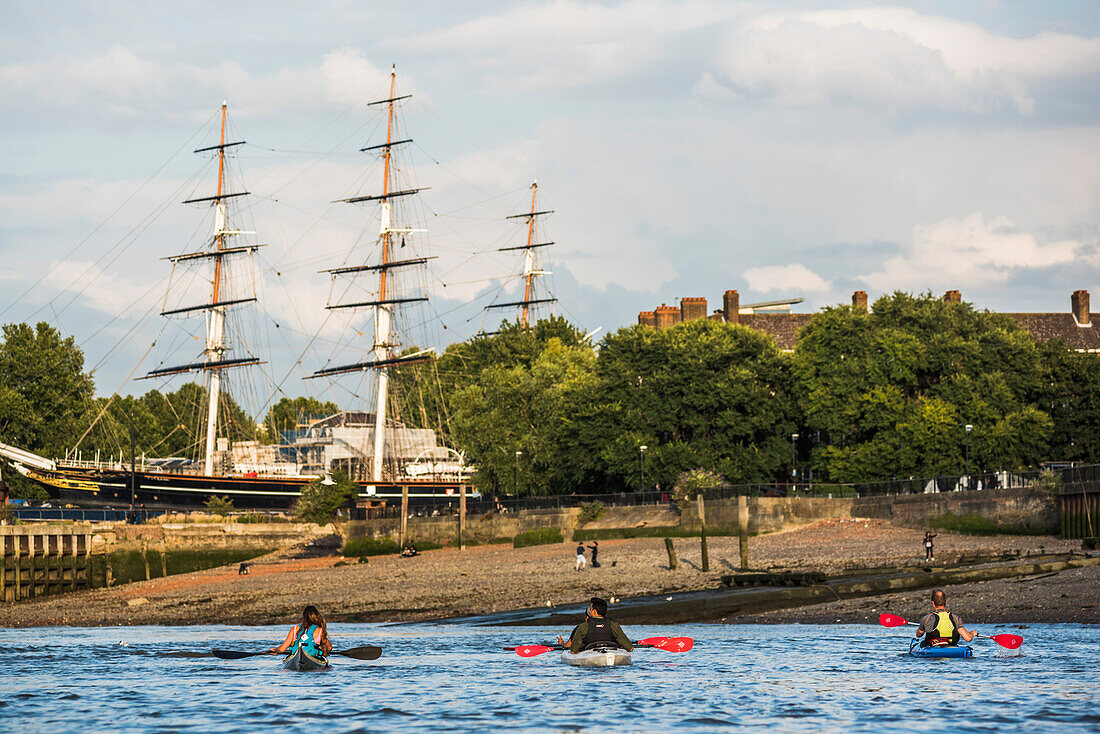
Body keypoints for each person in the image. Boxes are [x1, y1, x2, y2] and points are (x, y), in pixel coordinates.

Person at [556, 597, 634, 652]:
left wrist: (562, 643)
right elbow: (630, 648)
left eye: (591, 608)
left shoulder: (583, 626)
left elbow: (573, 650)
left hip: (590, 654)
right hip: (611, 653)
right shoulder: (614, 625)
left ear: (594, 612)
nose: (589, 611)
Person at [269, 605, 333, 658]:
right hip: (312, 656)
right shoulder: (319, 630)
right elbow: (329, 648)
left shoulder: (294, 629)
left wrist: (275, 650)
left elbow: (282, 649)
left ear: (304, 616)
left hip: (296, 655)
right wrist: (324, 653)